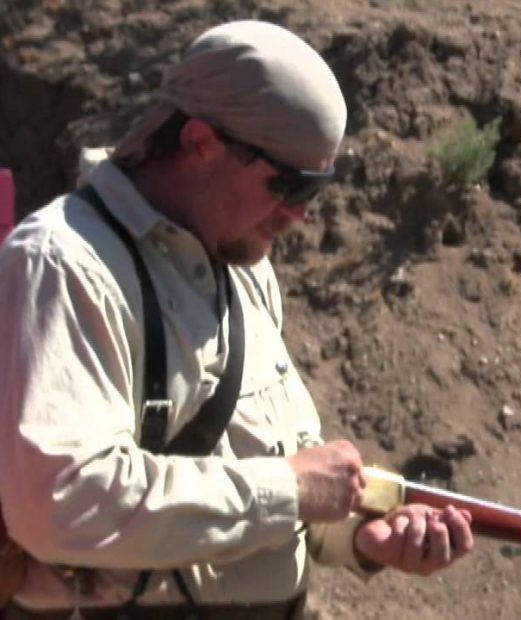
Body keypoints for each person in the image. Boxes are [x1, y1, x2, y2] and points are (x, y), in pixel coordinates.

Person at [0, 20, 473, 619]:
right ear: (200, 141)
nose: (298, 214)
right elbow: (62, 503)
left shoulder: (243, 263)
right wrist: (291, 489)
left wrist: (356, 535)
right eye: (287, 183)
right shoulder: (65, 265)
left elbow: (269, 475)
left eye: (315, 190)